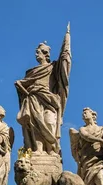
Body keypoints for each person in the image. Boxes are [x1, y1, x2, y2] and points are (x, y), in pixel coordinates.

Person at [15, 24, 71, 155]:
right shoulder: (31, 71)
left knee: (49, 121)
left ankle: (51, 149)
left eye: (38, 52)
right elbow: (25, 84)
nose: (36, 54)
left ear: (45, 54)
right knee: (35, 124)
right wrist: (21, 86)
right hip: (33, 98)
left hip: (49, 99)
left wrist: (66, 51)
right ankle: (38, 149)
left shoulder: (53, 67)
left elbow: (64, 68)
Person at [69, 107, 103, 185]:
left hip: (99, 159)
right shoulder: (82, 129)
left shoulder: (102, 129)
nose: (84, 115)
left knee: (100, 178)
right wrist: (101, 141)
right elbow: (86, 137)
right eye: (83, 114)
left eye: (86, 113)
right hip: (87, 158)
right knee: (89, 181)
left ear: (92, 115)